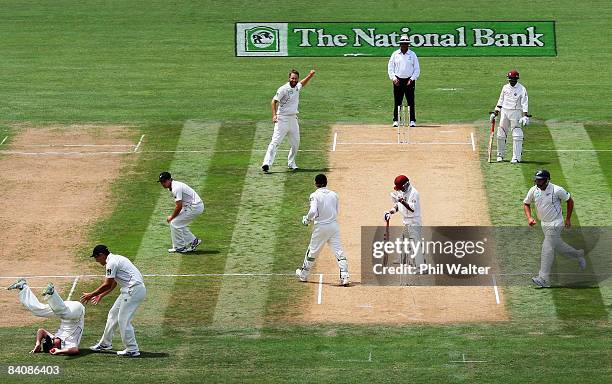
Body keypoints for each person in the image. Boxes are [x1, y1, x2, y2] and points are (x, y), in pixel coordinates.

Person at [523, 170, 586, 288]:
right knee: (557, 245)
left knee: (547, 248)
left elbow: (570, 201)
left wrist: (567, 219)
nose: (537, 182)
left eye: (540, 180)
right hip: (544, 224)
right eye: (536, 179)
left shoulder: (557, 190)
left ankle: (543, 278)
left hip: (556, 223)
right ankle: (578, 254)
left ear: (547, 180)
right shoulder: (533, 190)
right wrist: (529, 217)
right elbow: (526, 203)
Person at [81, 245, 146, 357]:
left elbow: (107, 284)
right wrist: (100, 295)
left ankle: (132, 349)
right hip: (129, 290)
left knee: (123, 320)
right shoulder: (115, 259)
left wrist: (91, 294)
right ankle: (105, 343)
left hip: (133, 290)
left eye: (96, 258)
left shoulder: (112, 263)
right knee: (113, 314)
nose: (96, 261)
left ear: (101, 255)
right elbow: (114, 283)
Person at [296, 174, 350, 286]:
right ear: (326, 182)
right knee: (339, 252)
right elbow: (336, 210)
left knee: (312, 251)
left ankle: (303, 274)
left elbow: (312, 211)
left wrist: (307, 219)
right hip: (334, 226)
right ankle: (345, 276)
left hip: (320, 227)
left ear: (316, 183)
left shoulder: (314, 195)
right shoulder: (334, 195)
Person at [7, 279, 84, 355]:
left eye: (52, 339)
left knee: (38, 311)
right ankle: (51, 293)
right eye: (53, 341)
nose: (54, 338)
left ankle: (23, 287)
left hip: (64, 309)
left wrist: (38, 343)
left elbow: (41, 331)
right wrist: (59, 351)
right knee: (63, 313)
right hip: (76, 312)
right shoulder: (66, 345)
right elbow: (75, 350)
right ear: (55, 346)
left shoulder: (54, 338)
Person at [262, 68, 316, 173]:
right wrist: (274, 115)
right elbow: (273, 101)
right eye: (292, 78)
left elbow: (302, 84)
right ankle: (266, 163)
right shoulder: (283, 89)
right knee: (275, 142)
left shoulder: (297, 87)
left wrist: (310, 75)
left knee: (296, 143)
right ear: (289, 78)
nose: (294, 80)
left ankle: (291, 163)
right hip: (282, 119)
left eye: (295, 78)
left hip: (293, 119)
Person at [383, 175, 425, 268]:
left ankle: (421, 267)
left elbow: (411, 209)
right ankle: (403, 258)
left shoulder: (414, 193)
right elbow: (398, 205)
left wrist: (401, 200)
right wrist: (391, 212)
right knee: (402, 241)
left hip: (414, 222)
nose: (399, 190)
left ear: (406, 185)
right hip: (406, 222)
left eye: (401, 187)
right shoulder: (402, 191)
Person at [489, 69, 530, 163]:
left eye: (513, 79)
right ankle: (500, 155)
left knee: (517, 133)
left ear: (517, 79)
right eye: (510, 79)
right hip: (504, 111)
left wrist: (525, 115)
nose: (511, 81)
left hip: (516, 112)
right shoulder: (505, 87)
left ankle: (516, 157)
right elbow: (500, 100)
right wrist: (495, 112)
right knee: (501, 133)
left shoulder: (522, 89)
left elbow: (524, 103)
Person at [158, 171, 204, 253]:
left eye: (164, 181)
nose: (163, 184)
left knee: (175, 223)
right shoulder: (172, 186)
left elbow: (179, 206)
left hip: (195, 206)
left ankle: (180, 247)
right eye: (161, 182)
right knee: (178, 223)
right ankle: (194, 241)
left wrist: (171, 217)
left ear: (170, 180)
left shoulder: (176, 188)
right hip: (190, 206)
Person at [388, 34, 420, 127]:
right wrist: (393, 78)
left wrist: (412, 79)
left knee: (410, 101)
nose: (404, 45)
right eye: (403, 44)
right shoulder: (395, 54)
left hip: (409, 80)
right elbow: (390, 68)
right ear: (400, 44)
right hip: (398, 80)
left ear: (408, 45)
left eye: (406, 44)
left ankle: (412, 120)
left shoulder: (412, 54)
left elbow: (417, 69)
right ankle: (396, 120)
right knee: (398, 101)